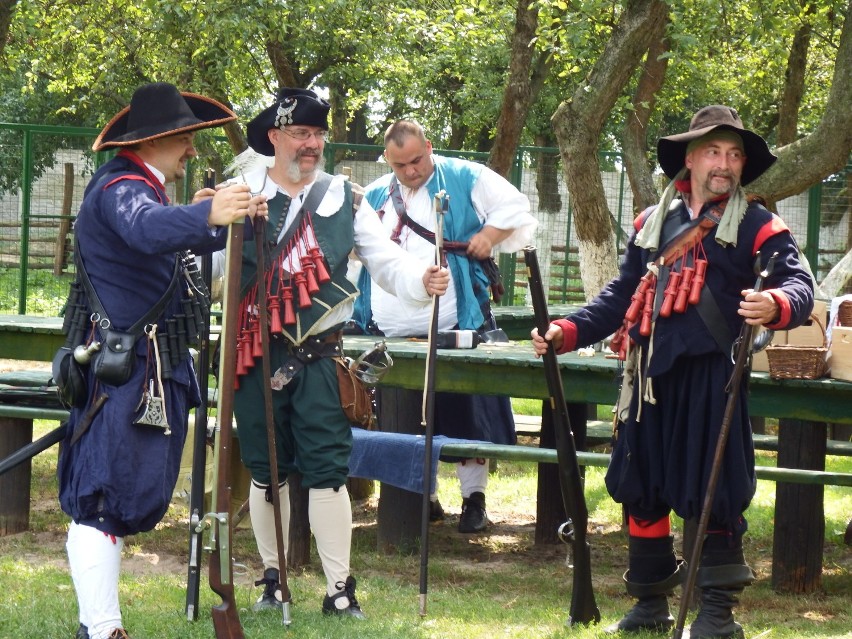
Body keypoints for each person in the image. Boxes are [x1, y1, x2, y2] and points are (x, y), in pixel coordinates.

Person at [531, 105, 814, 638]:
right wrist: (567, 332)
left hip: (713, 379)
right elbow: (621, 296)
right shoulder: (650, 222)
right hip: (646, 380)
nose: (724, 164)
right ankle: (649, 604)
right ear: (691, 158)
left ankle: (715, 615)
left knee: (716, 490)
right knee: (644, 485)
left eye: (733, 154)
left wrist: (776, 303)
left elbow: (800, 284)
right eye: (714, 151)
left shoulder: (759, 224)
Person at [224, 89, 449, 618]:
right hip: (255, 355)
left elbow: (386, 261)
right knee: (264, 469)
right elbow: (213, 274)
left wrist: (421, 277)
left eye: (318, 135)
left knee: (327, 469)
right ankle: (272, 580)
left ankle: (339, 589)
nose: (312, 145)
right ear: (275, 138)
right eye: (301, 134)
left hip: (321, 358)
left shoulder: (344, 198)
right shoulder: (240, 194)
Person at [57, 82, 266, 639]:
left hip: (138, 369)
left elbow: (157, 246)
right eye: (187, 140)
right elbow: (146, 231)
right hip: (126, 374)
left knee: (113, 497)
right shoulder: (123, 186)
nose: (193, 152)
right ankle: (102, 631)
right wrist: (207, 218)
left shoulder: (139, 188)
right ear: (162, 138)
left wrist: (211, 219)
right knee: (103, 498)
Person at [351, 120, 537, 533]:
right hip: (392, 328)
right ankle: (423, 498)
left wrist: (488, 235)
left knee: (466, 412)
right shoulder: (379, 193)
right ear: (388, 160)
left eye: (417, 160)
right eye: (400, 165)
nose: (411, 171)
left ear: (429, 147)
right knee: (404, 417)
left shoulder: (466, 176)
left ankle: (474, 500)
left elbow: (516, 207)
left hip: (458, 319)